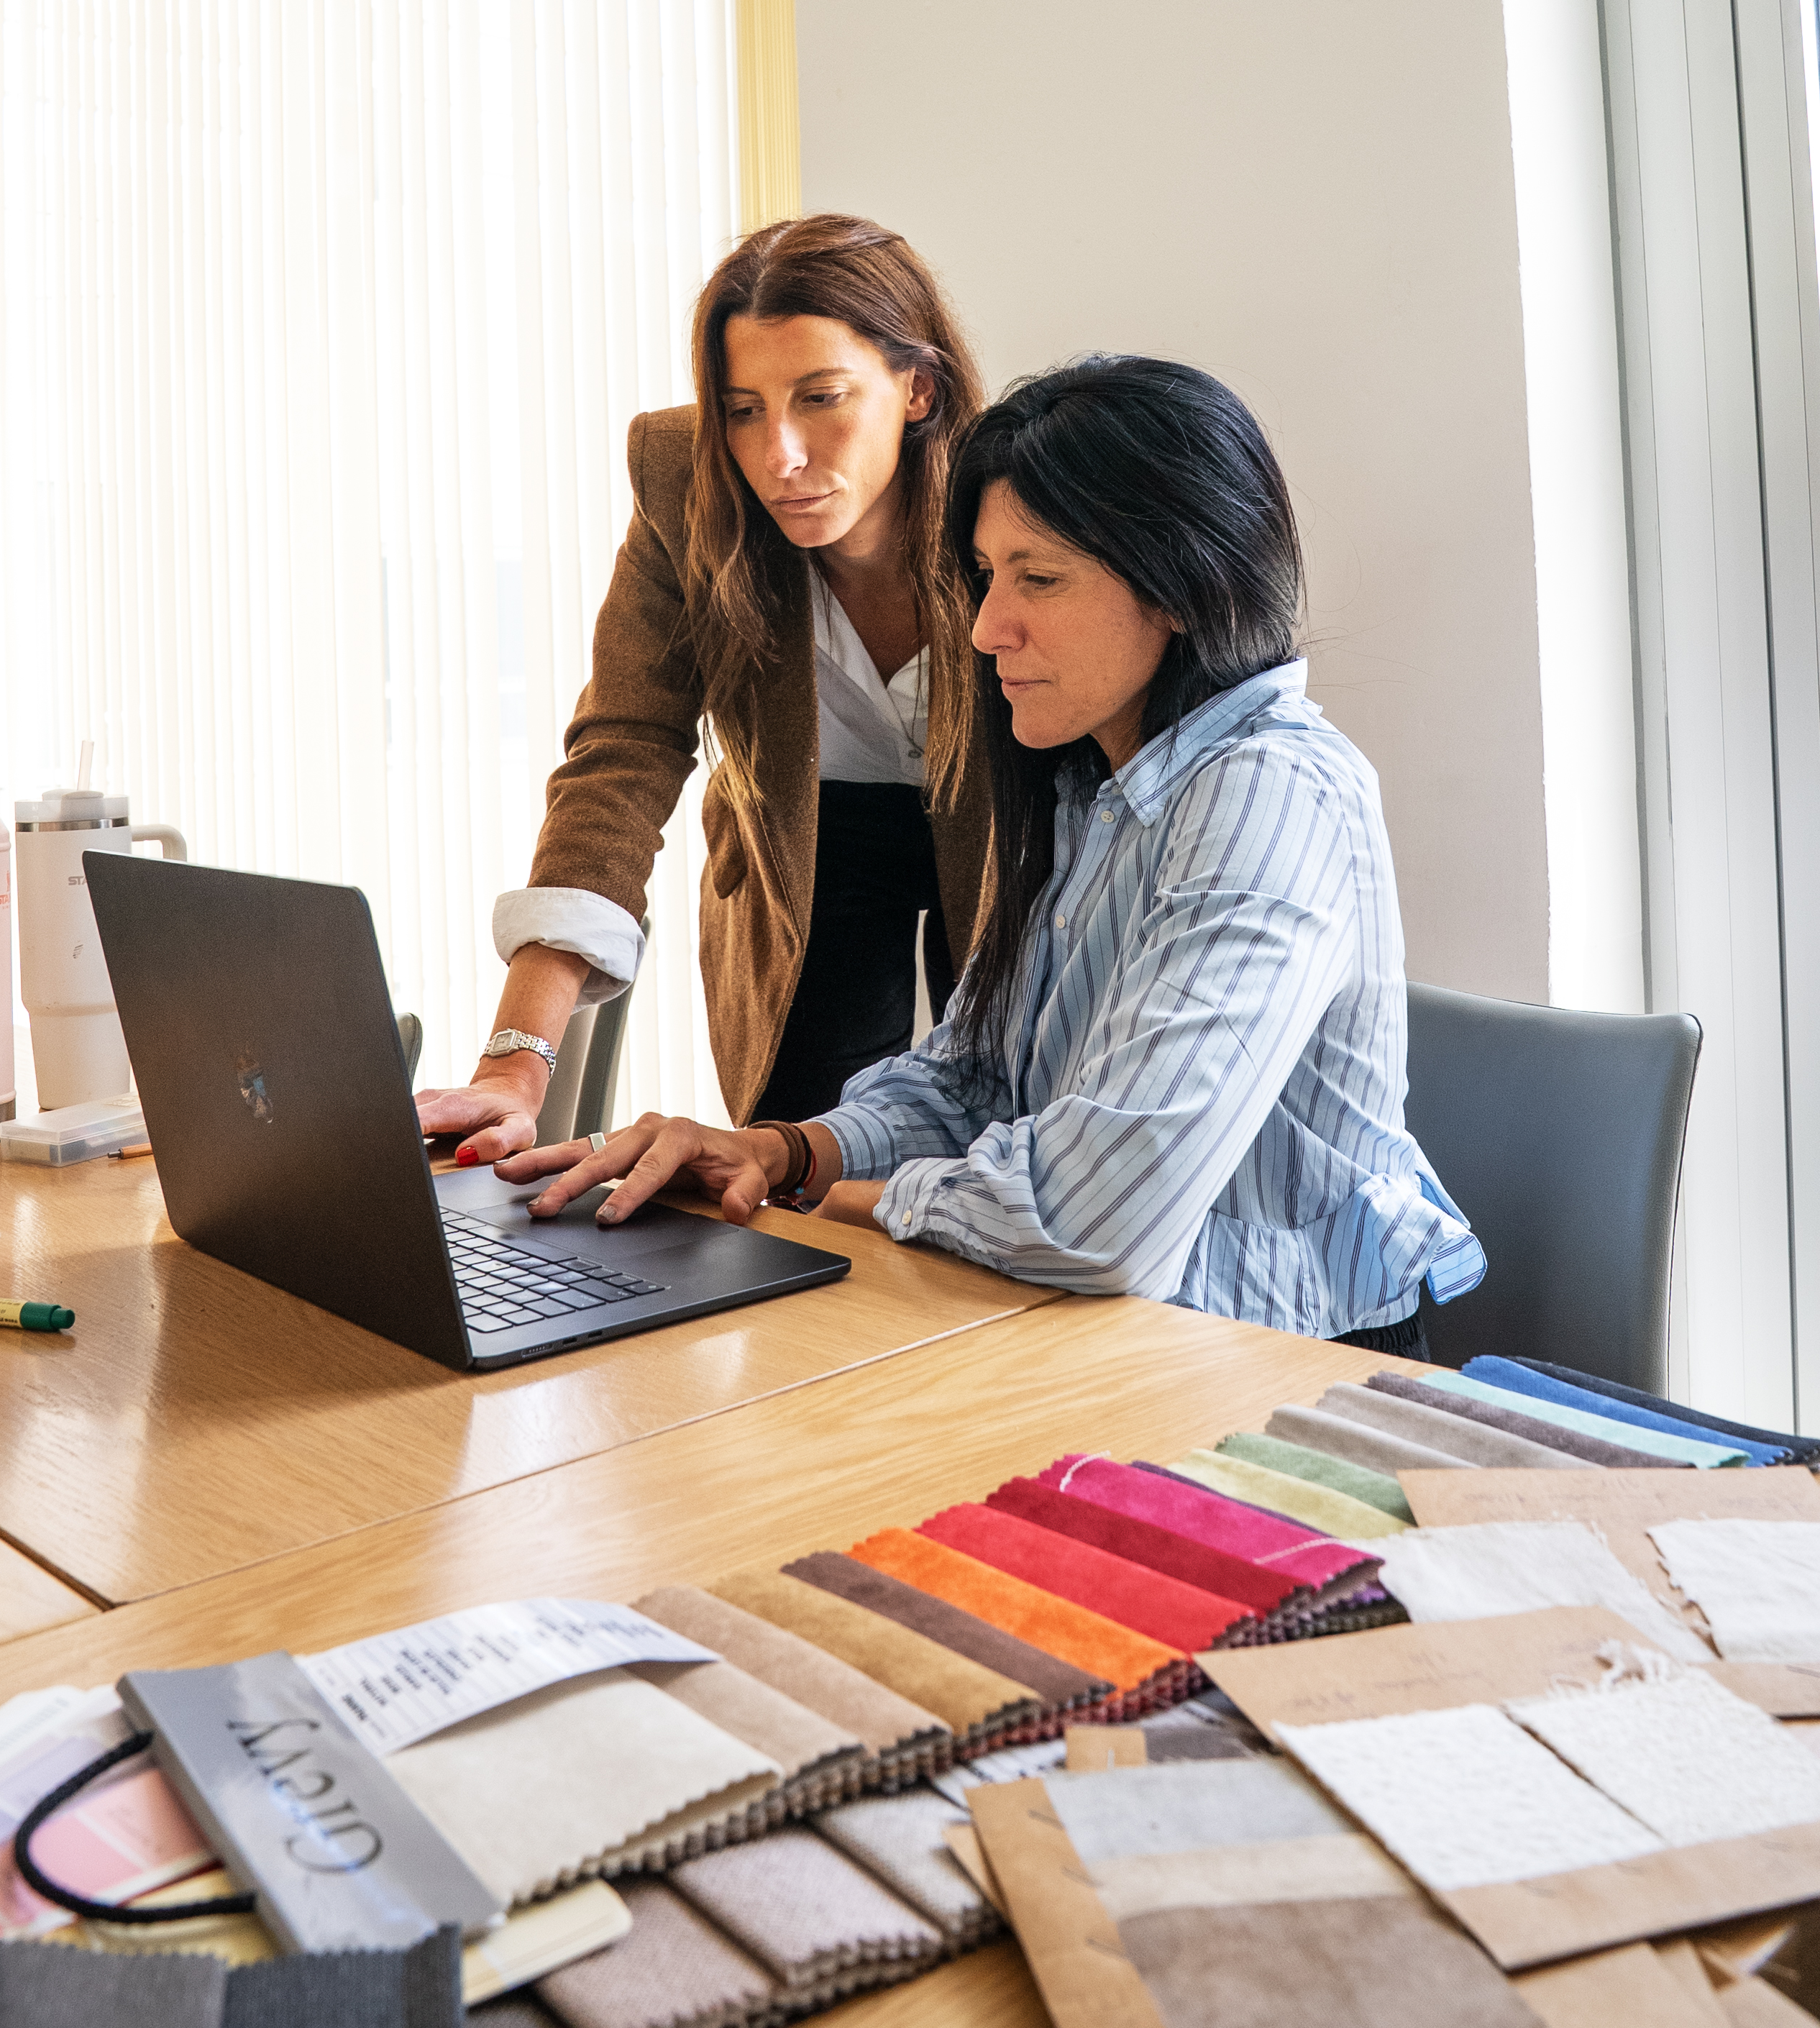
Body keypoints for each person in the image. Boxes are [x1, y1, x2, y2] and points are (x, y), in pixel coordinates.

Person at [508, 355, 1484, 1349]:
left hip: (1273, 1368)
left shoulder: (1269, 792)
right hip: (1091, 1334)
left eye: (1040, 579)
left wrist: (859, 1204)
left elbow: (1099, 1223)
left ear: (1184, 585)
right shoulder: (1088, 784)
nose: (983, 628)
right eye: (984, 575)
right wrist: (783, 1153)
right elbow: (974, 1078)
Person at [416, 215, 991, 1158]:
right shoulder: (686, 481)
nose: (778, 457)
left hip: (1000, 846)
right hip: (804, 858)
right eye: (743, 408)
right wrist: (514, 1067)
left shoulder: (1014, 493)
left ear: (917, 388)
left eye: (821, 398)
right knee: (796, 1177)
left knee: (1000, 1157)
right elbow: (625, 750)